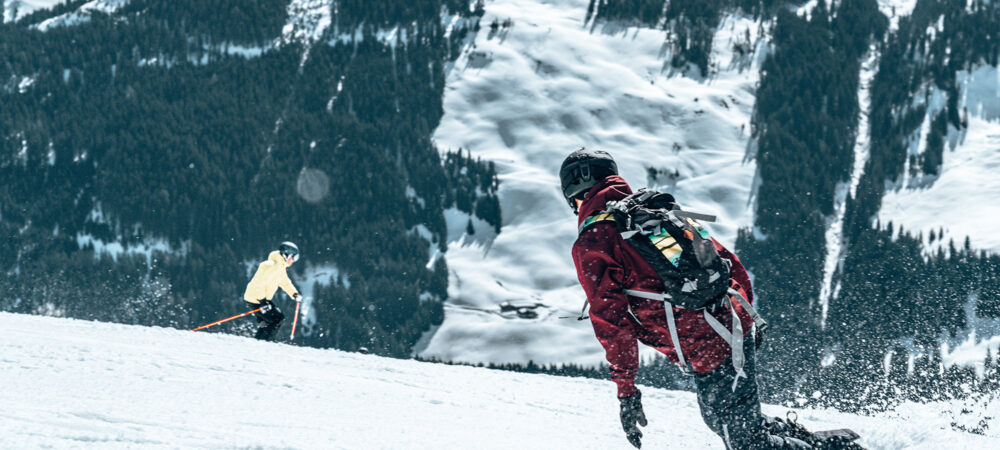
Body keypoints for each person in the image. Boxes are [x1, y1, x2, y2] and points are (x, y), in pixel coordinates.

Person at [561, 149, 856, 449]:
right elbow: (727, 260)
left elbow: (611, 323)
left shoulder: (596, 241)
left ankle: (834, 447)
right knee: (728, 423)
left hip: (707, 342)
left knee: (745, 442)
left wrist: (626, 391)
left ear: (573, 195)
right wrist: (743, 314)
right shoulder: (652, 212)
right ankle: (821, 442)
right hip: (728, 320)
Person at [243, 241, 302, 341]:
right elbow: (259, 284)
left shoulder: (280, 267)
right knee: (277, 319)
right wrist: (262, 302)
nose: (294, 261)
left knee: (268, 322)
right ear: (286, 255)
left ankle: (259, 342)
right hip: (256, 298)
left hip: (260, 298)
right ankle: (266, 343)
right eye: (293, 258)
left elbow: (285, 282)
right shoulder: (272, 266)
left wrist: (294, 293)